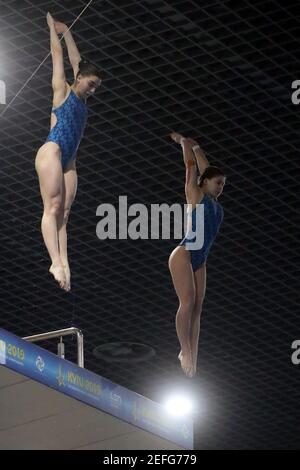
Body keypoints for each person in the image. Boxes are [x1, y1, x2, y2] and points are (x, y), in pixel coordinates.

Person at [35, 13, 101, 291]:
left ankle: (65, 264)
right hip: (52, 151)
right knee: (51, 208)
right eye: (91, 84)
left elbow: (79, 61)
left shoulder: (82, 96)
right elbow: (58, 54)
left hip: (69, 162)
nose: (93, 90)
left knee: (65, 214)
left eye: (97, 87)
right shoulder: (62, 91)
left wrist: (69, 32)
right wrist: (53, 29)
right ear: (80, 79)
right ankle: (54, 261)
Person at [169, 132, 226, 377]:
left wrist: (198, 146)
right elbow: (192, 169)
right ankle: (184, 350)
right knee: (188, 302)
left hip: (200, 262)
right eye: (218, 183)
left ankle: (194, 356)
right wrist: (185, 146)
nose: (221, 187)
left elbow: (208, 169)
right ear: (205, 183)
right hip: (184, 254)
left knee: (198, 308)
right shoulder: (196, 195)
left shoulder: (216, 205)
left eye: (223, 184)